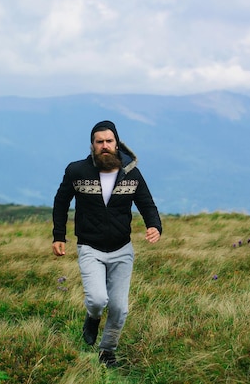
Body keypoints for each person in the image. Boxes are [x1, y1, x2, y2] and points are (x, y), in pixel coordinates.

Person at [52, 120, 162, 367]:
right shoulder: (77, 171)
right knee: (98, 300)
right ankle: (92, 317)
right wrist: (59, 235)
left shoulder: (131, 173)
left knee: (120, 308)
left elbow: (146, 202)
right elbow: (61, 202)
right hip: (90, 247)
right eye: (99, 141)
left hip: (123, 249)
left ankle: (107, 352)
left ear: (117, 143)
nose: (104, 146)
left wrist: (155, 226)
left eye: (108, 141)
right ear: (92, 145)